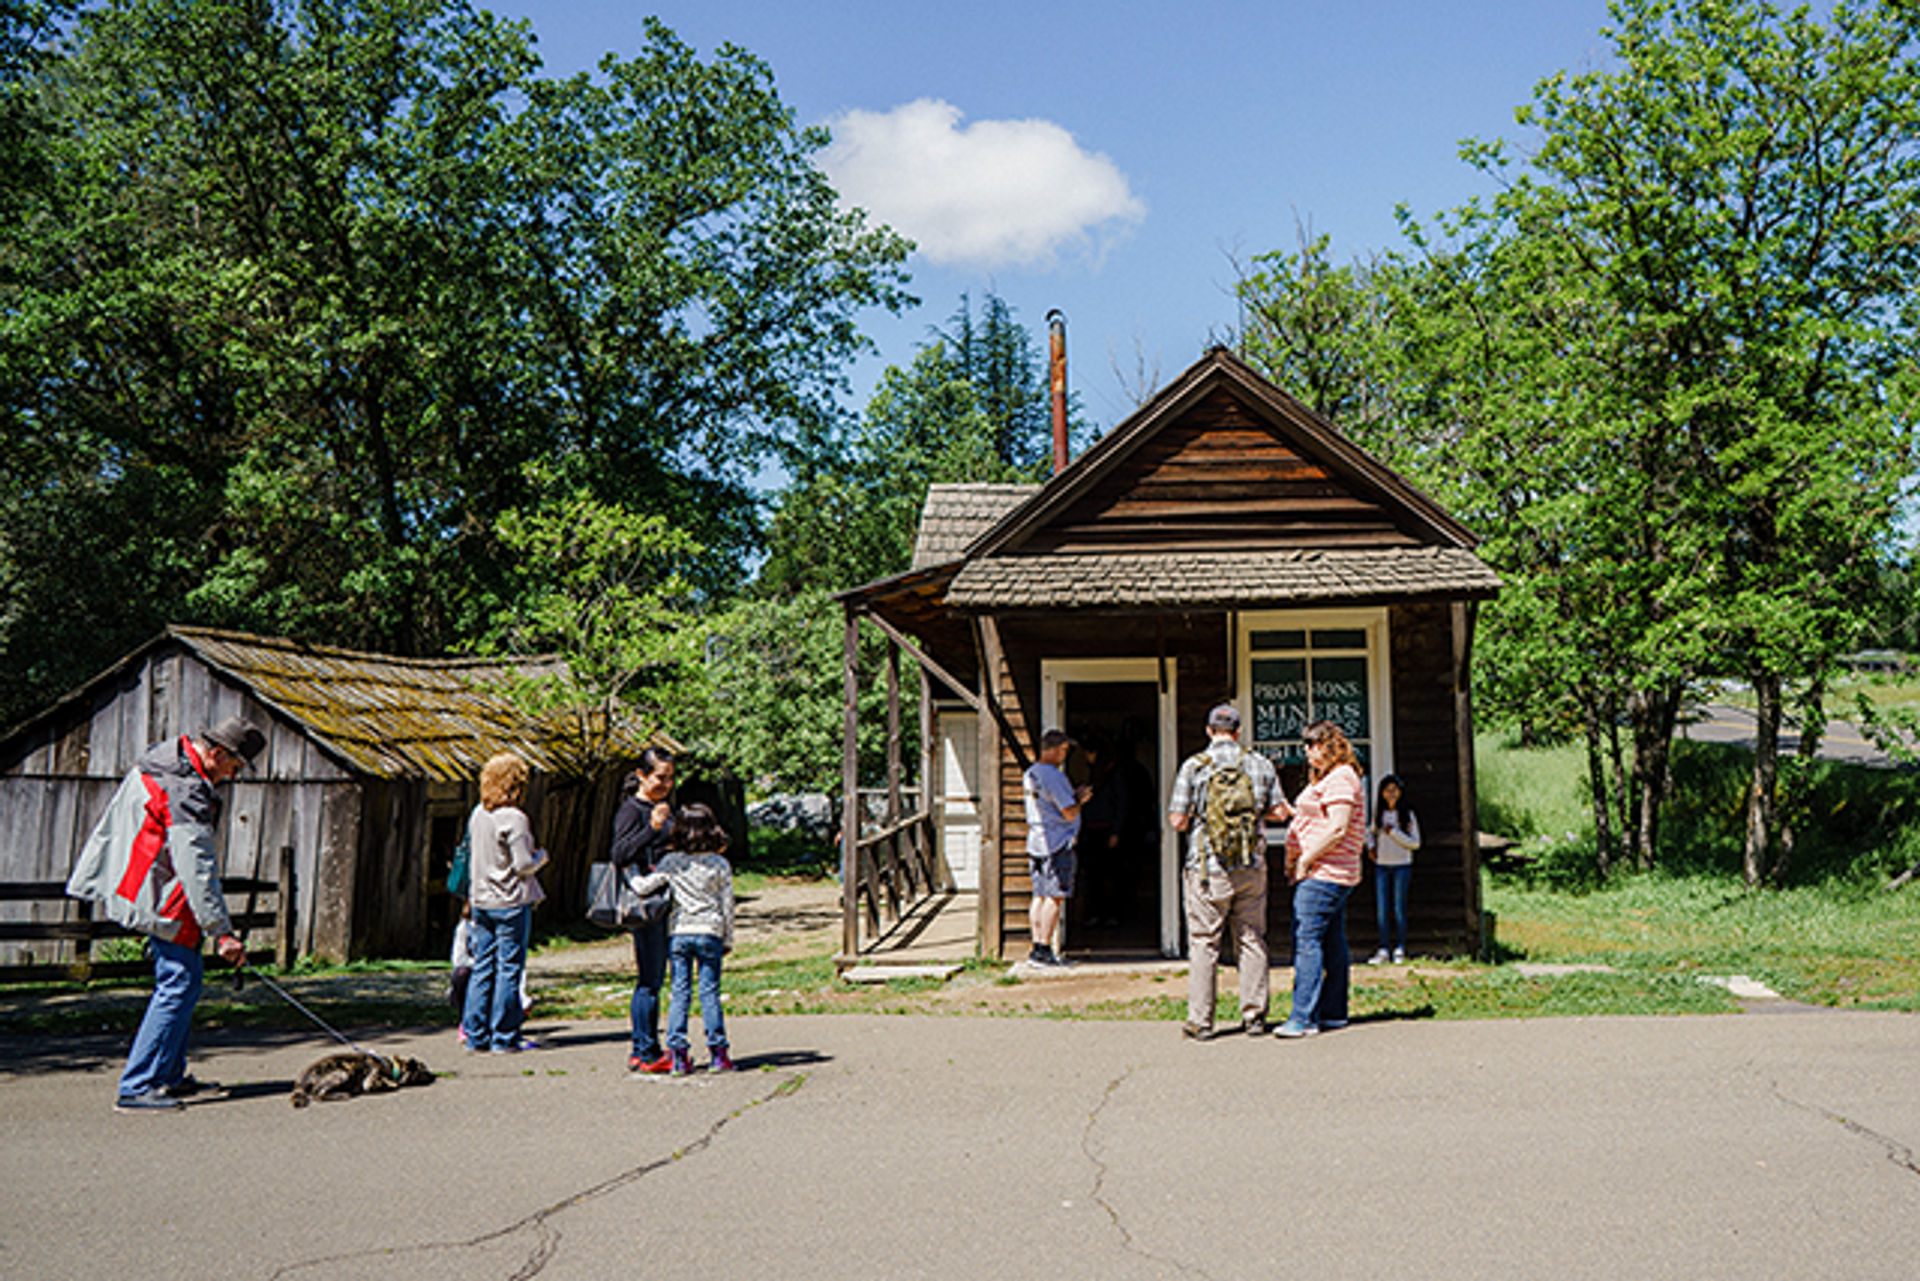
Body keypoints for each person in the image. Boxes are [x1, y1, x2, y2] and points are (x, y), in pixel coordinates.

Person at [65, 716, 265, 1111]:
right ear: (217, 753)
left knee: (184, 982)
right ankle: (138, 1084)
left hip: (147, 885)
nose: (233, 776)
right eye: (234, 767)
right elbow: (197, 866)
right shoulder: (186, 788)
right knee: (178, 983)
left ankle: (170, 1075)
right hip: (160, 893)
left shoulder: (166, 765)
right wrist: (221, 931)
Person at [1167, 704, 1288, 1039]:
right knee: (1251, 937)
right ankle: (1254, 1016)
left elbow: (1177, 820)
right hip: (1251, 865)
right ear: (1238, 731)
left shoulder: (1194, 766)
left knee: (1205, 942)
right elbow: (1279, 811)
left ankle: (1202, 1021)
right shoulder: (1259, 764)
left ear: (1209, 731)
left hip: (1208, 868)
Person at [1275, 721, 1367, 1039]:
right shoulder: (1329, 778)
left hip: (1324, 873)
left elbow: (1338, 827)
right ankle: (1334, 1011)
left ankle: (1304, 1017)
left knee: (1307, 940)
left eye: (1312, 745)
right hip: (1328, 872)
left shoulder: (1342, 777)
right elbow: (1317, 816)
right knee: (1331, 940)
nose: (1307, 751)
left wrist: (1305, 858)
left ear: (1330, 746)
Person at [628, 803, 736, 1075]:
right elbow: (727, 905)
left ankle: (678, 1053)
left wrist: (630, 875)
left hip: (679, 932)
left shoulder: (672, 862)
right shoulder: (719, 863)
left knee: (680, 992)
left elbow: (643, 887)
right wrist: (728, 938)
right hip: (710, 930)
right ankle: (718, 1052)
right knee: (709, 992)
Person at [462, 751, 548, 1054]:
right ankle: (504, 1036)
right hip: (510, 900)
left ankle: (475, 1034)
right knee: (509, 969)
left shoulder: (478, 814)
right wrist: (542, 857)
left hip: (482, 899)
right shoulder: (515, 818)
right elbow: (523, 865)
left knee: (482, 966)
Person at [610, 746, 675, 1073]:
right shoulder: (631, 810)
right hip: (644, 903)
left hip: (664, 901)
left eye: (670, 778)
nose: (666, 784)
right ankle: (646, 1050)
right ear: (641, 775)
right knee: (649, 978)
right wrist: (652, 827)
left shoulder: (660, 806)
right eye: (660, 777)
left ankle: (647, 1046)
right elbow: (619, 853)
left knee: (656, 976)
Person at [1022, 728, 1091, 966]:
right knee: (1055, 896)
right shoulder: (1054, 776)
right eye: (1063, 750)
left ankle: (1036, 948)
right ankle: (1044, 948)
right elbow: (1069, 812)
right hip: (1057, 842)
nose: (1065, 755)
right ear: (1055, 749)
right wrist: (1080, 799)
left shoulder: (1031, 773)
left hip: (1036, 840)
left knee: (1039, 895)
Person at [1366, 773, 1420, 964]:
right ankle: (1383, 949)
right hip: (1382, 865)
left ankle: (1400, 947)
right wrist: (1371, 847)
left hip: (1402, 865)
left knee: (1398, 908)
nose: (1391, 794)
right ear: (1381, 793)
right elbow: (1371, 833)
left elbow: (1415, 843)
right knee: (1382, 909)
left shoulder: (1407, 815)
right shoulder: (1378, 814)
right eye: (1387, 790)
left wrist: (1394, 833)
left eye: (1394, 790)